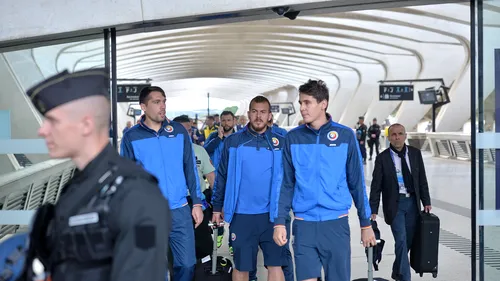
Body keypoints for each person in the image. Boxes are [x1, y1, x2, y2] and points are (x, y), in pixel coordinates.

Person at [23, 69, 170, 281]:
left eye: (53, 121)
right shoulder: (79, 186)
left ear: (86, 124)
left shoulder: (138, 195)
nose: (42, 130)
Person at [273, 79, 376, 281]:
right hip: (304, 225)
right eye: (300, 103)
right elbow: (285, 184)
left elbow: (356, 183)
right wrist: (279, 222)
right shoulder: (293, 138)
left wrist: (366, 225)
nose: (302, 108)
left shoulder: (345, 136)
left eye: (307, 102)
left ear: (323, 104)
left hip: (336, 225)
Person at [120, 86, 203, 281]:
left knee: (188, 264)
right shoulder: (131, 137)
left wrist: (197, 203)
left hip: (180, 210)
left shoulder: (179, 131)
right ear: (143, 106)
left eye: (164, 101)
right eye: (156, 102)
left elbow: (190, 168)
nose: (162, 106)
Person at [212, 96, 286, 281]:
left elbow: (290, 179)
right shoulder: (234, 142)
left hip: (272, 215)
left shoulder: (280, 142)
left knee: (275, 265)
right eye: (254, 112)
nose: (258, 116)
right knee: (242, 266)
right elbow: (222, 175)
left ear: (270, 115)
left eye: (263, 112)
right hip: (242, 215)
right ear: (248, 114)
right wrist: (216, 207)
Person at [369, 123, 432, 281]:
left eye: (400, 134)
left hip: (412, 203)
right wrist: (373, 209)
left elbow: (422, 179)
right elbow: (376, 186)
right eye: (394, 134)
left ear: (405, 136)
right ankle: (405, 278)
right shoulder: (382, 158)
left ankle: (397, 271)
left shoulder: (415, 154)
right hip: (395, 205)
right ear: (389, 137)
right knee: (401, 241)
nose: (397, 137)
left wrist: (426, 200)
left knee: (408, 241)